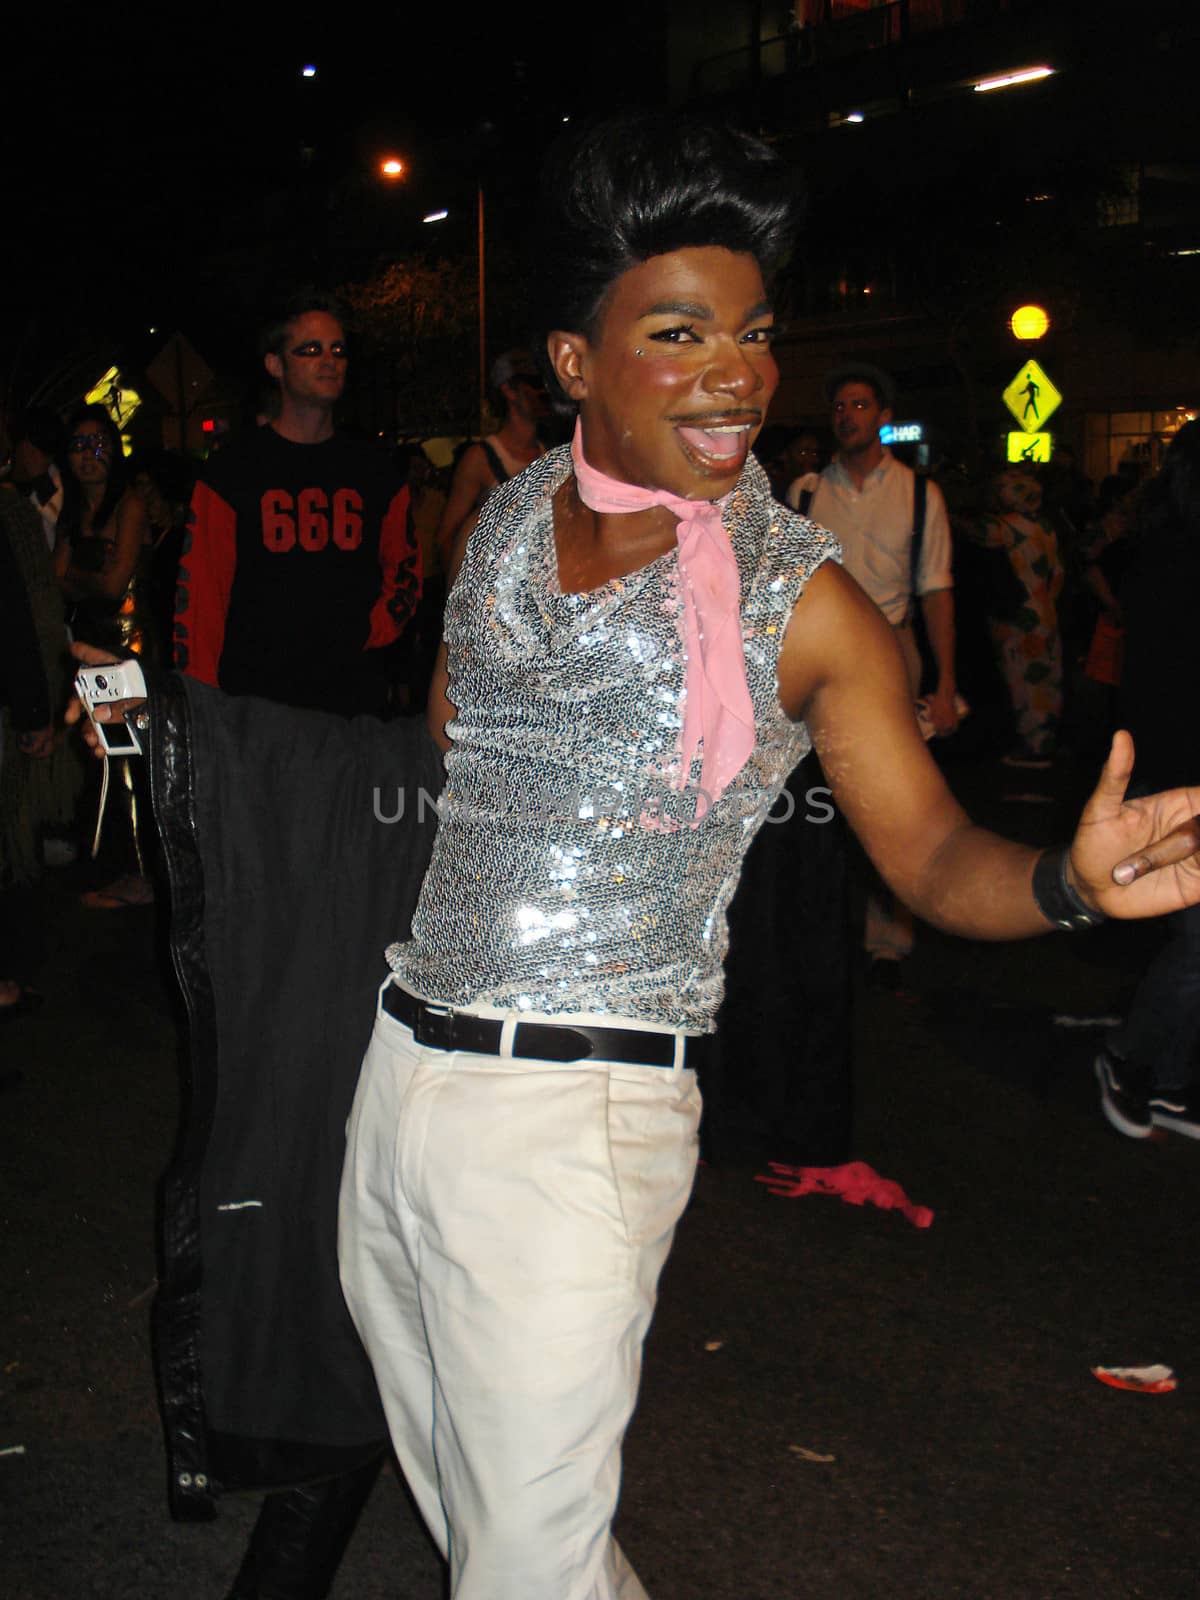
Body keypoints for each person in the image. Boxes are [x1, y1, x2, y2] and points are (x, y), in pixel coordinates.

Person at [75, 113, 1200, 1600]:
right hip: (402, 1075)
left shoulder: (808, 608)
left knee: (520, 1567)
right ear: (571, 364)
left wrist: (1069, 880)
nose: (738, 371)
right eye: (682, 333)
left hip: (577, 1120)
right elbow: (436, 762)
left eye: (753, 333)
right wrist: (193, 736)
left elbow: (929, 859)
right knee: (481, 1510)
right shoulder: (499, 527)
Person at [786, 362, 959, 978]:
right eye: (840, 406)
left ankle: (889, 938)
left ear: (884, 417)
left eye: (860, 405)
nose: (847, 416)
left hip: (892, 649)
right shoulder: (807, 493)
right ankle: (821, 926)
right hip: (818, 655)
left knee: (894, 801)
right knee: (816, 800)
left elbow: (936, 590)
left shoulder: (918, 493)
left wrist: (944, 682)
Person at [173, 290, 420, 720]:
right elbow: (200, 603)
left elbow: (405, 571)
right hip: (257, 708)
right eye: (309, 350)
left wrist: (368, 631)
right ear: (275, 365)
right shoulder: (231, 474)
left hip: (352, 705)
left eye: (337, 350)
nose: (328, 360)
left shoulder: (374, 472)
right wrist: (201, 705)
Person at [1095, 421, 1200, 1139]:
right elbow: (1165, 689)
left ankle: (1171, 1077)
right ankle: (1130, 1059)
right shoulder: (1172, 560)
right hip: (1179, 777)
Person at [971, 463, 1065, 767]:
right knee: (1048, 675)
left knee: (1024, 678)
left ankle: (1033, 746)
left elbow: (971, 532)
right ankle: (1048, 738)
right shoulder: (1047, 527)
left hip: (1021, 614)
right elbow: (1059, 572)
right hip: (1046, 608)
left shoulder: (1004, 527)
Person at [435, 349, 549, 564]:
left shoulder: (549, 455)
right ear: (509, 390)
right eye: (533, 383)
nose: (542, 392)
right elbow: (446, 542)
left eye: (545, 383)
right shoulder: (480, 459)